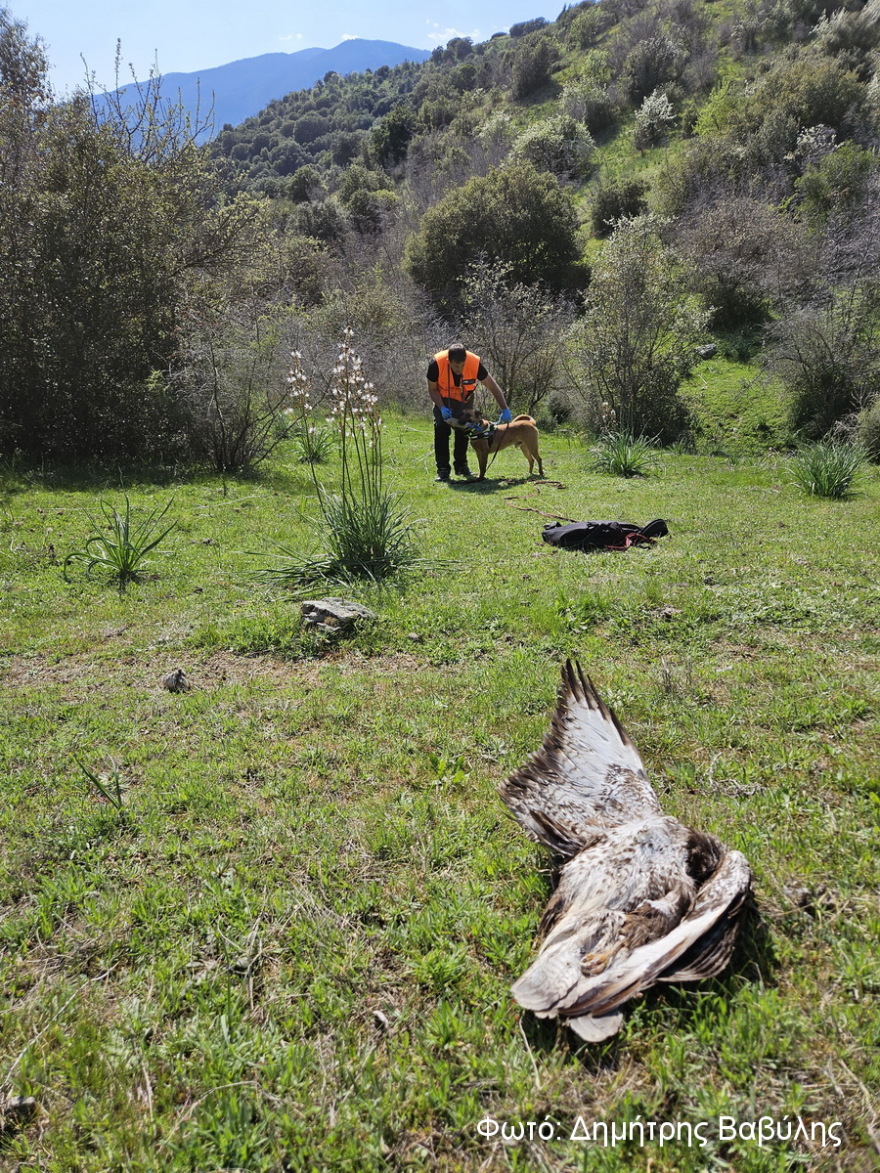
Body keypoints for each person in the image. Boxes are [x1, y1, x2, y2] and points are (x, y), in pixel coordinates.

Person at [427, 343, 512, 481]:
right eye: (455, 366)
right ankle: (443, 470)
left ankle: (461, 467)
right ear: (449, 361)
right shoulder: (436, 364)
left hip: (464, 401)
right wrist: (442, 407)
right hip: (442, 401)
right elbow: (432, 389)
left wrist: (504, 408)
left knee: (464, 432)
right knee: (441, 431)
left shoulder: (474, 363)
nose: (459, 369)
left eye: (462, 365)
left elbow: (493, 386)